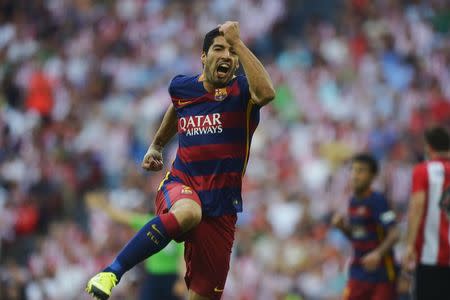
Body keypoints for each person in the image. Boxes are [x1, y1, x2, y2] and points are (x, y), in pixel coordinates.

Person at [86, 21, 275, 300]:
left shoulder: (243, 92)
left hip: (222, 206)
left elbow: (268, 93)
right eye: (219, 49)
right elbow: (177, 109)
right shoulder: (182, 87)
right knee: (188, 212)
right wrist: (157, 146)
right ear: (203, 57)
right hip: (180, 184)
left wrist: (240, 44)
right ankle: (112, 272)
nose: (226, 55)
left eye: (231, 52)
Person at [85, 192, 185, 300]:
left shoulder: (161, 225)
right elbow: (122, 217)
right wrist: (103, 205)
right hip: (154, 277)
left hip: (170, 278)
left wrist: (181, 280)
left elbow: (182, 257)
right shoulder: (152, 222)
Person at [332, 153, 400, 300]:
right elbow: (358, 236)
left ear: (373, 176)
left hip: (381, 275)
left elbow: (394, 233)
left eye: (361, 171)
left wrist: (378, 254)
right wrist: (342, 227)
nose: (355, 175)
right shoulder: (353, 202)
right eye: (353, 170)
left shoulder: (378, 201)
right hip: (358, 272)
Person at [403, 127, 450, 300]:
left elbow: (417, 205)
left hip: (430, 258)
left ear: (429, 148)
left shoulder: (423, 170)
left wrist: (409, 245)